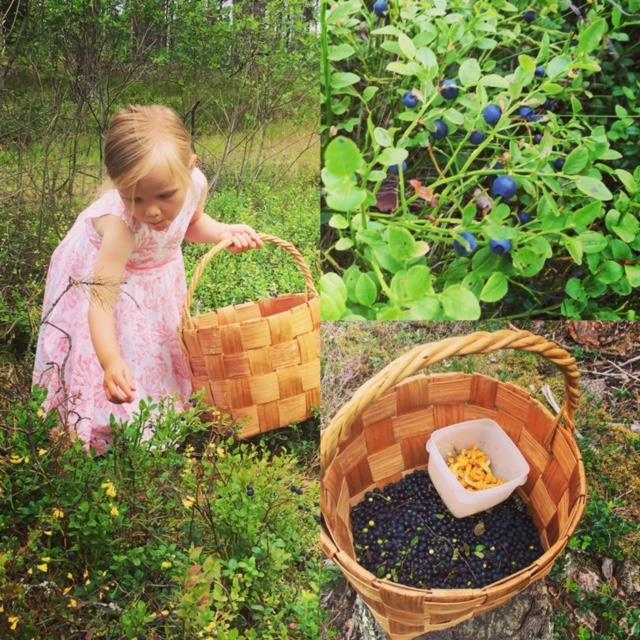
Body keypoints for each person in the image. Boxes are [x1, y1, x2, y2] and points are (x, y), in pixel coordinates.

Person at [32, 104, 263, 454]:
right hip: (105, 280)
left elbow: (193, 224)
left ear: (191, 168)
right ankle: (101, 419)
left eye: (165, 196)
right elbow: (100, 307)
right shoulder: (121, 226)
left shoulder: (194, 185)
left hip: (157, 278)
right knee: (115, 351)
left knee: (154, 347)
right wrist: (110, 362)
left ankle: (155, 413)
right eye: (134, 198)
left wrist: (223, 232)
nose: (151, 210)